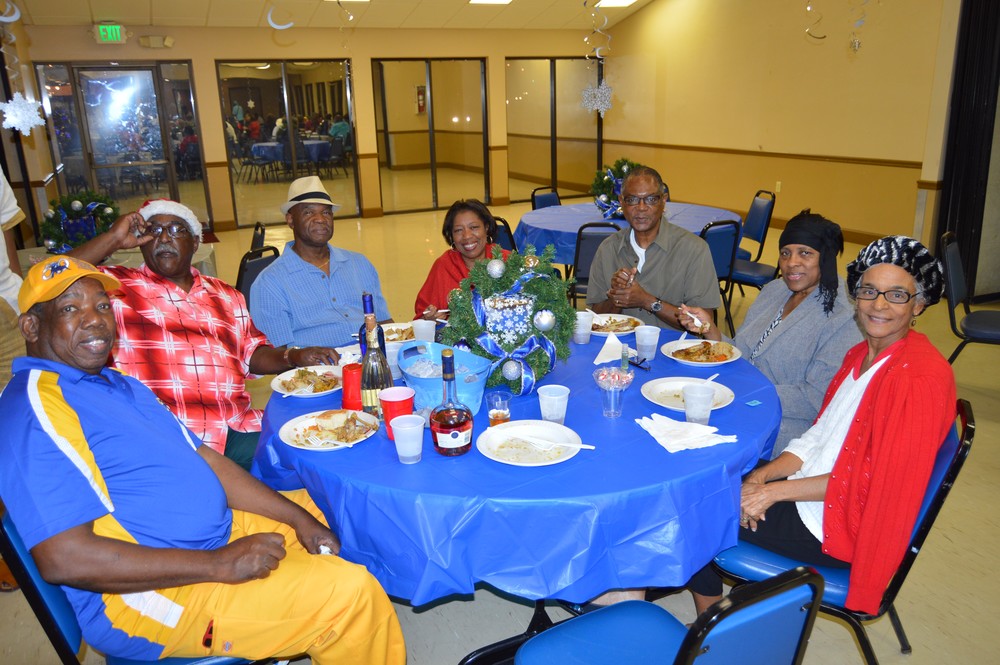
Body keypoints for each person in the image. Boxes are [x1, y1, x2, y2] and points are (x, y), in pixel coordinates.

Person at [0, 256, 405, 663]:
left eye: (102, 305)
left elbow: (207, 460)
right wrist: (218, 564)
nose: (94, 320)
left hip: (216, 531)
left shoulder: (116, 382)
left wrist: (299, 518)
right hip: (149, 595)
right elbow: (63, 558)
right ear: (31, 326)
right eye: (70, 308)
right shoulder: (34, 406)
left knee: (342, 507)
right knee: (350, 597)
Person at [688, 235, 956, 616]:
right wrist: (762, 478)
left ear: (919, 303)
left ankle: (713, 627)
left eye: (896, 295)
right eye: (869, 291)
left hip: (835, 525)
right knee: (700, 479)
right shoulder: (862, 353)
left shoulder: (918, 378)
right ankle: (718, 611)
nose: (879, 305)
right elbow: (819, 435)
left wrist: (772, 494)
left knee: (695, 511)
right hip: (815, 490)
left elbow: (870, 482)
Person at [68, 199, 339, 470]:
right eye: (154, 231)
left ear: (195, 242)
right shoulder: (116, 289)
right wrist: (113, 238)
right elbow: (52, 276)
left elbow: (251, 353)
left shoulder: (225, 294)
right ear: (141, 242)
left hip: (233, 424)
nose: (164, 238)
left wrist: (293, 356)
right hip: (167, 437)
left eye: (176, 230)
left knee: (318, 445)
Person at [679, 210, 862, 455]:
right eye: (785, 253)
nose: (791, 262)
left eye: (805, 253)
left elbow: (817, 397)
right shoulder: (775, 290)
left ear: (826, 257)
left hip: (785, 428)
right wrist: (710, 328)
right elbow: (743, 353)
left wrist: (745, 390)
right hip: (739, 400)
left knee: (691, 443)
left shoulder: (843, 316)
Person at [250, 176, 393, 347]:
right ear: (290, 220)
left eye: (326, 212)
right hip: (317, 363)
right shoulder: (270, 283)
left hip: (370, 355)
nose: (320, 219)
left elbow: (385, 324)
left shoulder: (359, 264)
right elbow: (276, 353)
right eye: (308, 212)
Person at [587, 166, 719, 330]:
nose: (641, 207)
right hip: (619, 344)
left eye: (651, 199)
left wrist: (647, 301)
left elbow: (704, 325)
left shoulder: (694, 249)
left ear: (663, 201)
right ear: (621, 202)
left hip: (676, 345)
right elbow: (595, 320)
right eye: (632, 200)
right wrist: (617, 295)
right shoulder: (608, 249)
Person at [414, 199, 510, 320]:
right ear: (451, 236)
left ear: (486, 227)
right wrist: (430, 319)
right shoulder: (443, 265)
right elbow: (422, 315)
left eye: (474, 227)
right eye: (458, 230)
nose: (467, 236)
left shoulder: (506, 260)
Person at [0, 168, 25, 592]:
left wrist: (24, 304)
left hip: (5, 311)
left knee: (19, 428)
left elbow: (8, 246)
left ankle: (16, 549)